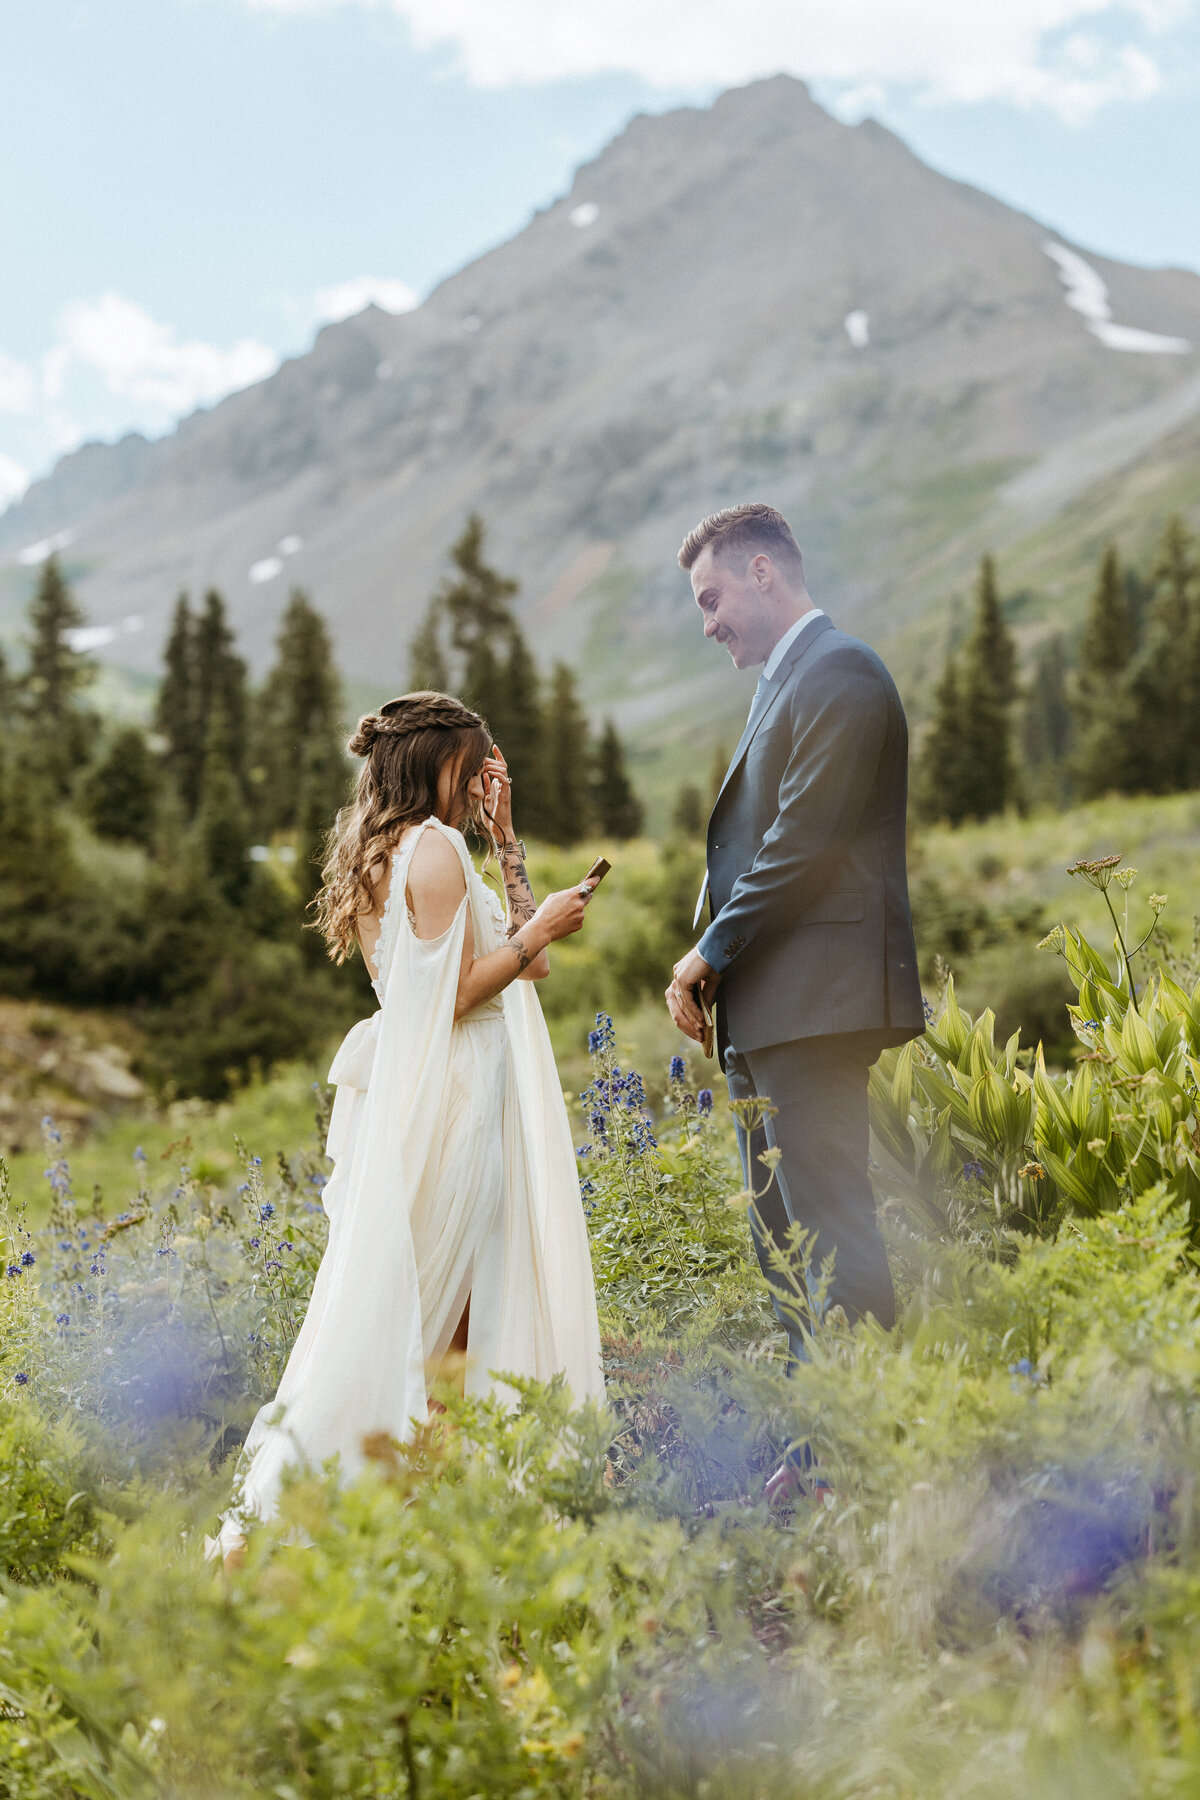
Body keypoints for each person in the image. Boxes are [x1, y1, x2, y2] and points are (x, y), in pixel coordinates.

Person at [213, 690, 604, 1560]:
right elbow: (454, 997)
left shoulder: (391, 845)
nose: (478, 786)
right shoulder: (427, 849)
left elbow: (527, 966)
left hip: (446, 1091)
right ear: (437, 763)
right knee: (445, 1326)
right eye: (472, 771)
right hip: (456, 1097)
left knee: (439, 1315)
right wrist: (536, 922)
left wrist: (508, 843)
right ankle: (393, 1528)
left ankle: (404, 1527)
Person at [663, 504, 922, 1494]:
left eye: (713, 597)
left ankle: (870, 1455)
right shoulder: (791, 683)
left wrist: (709, 955)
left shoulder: (842, 672)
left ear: (765, 572)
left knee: (829, 1226)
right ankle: (822, 1450)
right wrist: (715, 961)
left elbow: (802, 844)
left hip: (816, 1005)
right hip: (775, 1010)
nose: (708, 622)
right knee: (784, 1239)